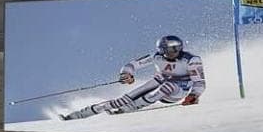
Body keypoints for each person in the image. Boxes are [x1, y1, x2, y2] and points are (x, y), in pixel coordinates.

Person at [62, 34, 205, 120]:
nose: (172, 53)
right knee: (122, 99)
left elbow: (199, 83)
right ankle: (76, 116)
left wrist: (192, 96)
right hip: (159, 81)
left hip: (179, 90)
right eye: (168, 51)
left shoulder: (191, 60)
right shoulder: (156, 57)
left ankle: (129, 109)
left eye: (175, 50)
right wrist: (126, 74)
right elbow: (132, 64)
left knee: (166, 86)